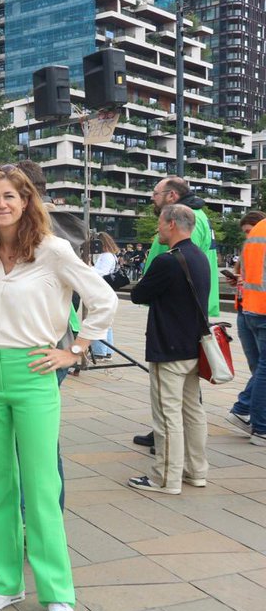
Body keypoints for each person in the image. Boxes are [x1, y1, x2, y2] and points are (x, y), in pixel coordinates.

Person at [0, 166, 115, 611]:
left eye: (10, 196)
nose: (1, 204)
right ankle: (6, 581)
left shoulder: (53, 250)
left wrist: (75, 349)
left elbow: (103, 299)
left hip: (34, 371)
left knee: (42, 485)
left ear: (26, 201)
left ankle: (57, 594)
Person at [129, 204, 212, 491]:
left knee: (167, 416)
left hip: (168, 348)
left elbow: (139, 294)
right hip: (193, 347)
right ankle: (196, 471)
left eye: (160, 224)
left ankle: (165, 478)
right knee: (193, 411)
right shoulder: (200, 257)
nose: (158, 230)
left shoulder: (167, 260)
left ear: (172, 224)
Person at [133, 177, 219, 451]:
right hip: (187, 308)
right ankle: (184, 452)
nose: (152, 198)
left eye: (155, 193)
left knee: (177, 398)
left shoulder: (184, 219)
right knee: (186, 394)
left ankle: (170, 446)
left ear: (171, 196)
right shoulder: (194, 216)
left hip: (179, 312)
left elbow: (180, 268)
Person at [228, 210, 266, 439]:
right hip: (255, 309)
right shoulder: (256, 238)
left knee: (261, 368)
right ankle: (255, 420)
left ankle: (246, 410)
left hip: (251, 309)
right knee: (261, 368)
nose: (247, 235)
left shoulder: (255, 239)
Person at [91, 232, 120, 361]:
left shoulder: (107, 256)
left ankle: (99, 351)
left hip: (102, 289)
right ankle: (107, 351)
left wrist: (88, 268)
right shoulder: (110, 255)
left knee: (99, 320)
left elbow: (102, 272)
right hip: (105, 289)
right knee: (106, 322)